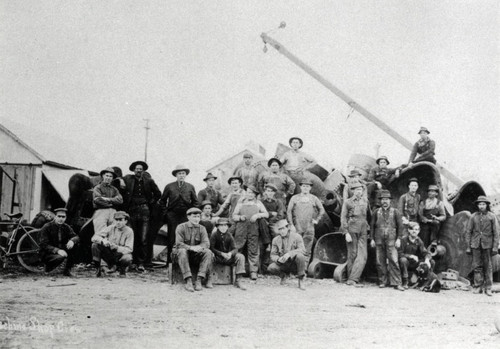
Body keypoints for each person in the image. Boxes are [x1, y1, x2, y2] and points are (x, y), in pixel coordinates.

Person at [123, 160, 161, 272]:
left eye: (140, 169)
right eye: (137, 168)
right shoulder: (128, 179)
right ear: (133, 170)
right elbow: (117, 179)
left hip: (144, 210)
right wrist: (120, 180)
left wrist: (150, 203)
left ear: (143, 170)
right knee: (132, 236)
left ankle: (141, 263)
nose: (138, 170)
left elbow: (158, 193)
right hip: (131, 210)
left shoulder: (149, 180)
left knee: (143, 238)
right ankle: (133, 262)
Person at [158, 165, 199, 265]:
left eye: (183, 173)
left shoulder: (190, 186)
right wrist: (166, 213)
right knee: (172, 237)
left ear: (185, 175)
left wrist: (192, 214)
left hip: (185, 215)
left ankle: (185, 262)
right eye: (179, 173)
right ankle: (170, 261)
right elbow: (162, 201)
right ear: (176, 175)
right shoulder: (169, 186)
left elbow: (196, 202)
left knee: (186, 237)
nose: (181, 175)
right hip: (172, 215)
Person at [370, 190, 405, 291]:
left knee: (394, 261)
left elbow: (400, 227)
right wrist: (372, 239)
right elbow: (372, 226)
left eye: (387, 199)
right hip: (379, 240)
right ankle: (383, 281)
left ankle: (397, 283)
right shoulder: (376, 212)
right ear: (381, 201)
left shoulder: (396, 212)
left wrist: (398, 239)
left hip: (392, 240)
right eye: (383, 199)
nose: (385, 201)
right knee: (380, 261)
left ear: (390, 201)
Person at [232, 185, 269, 280]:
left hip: (253, 229)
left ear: (255, 194)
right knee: (238, 248)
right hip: (241, 229)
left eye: (252, 193)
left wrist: (257, 215)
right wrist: (240, 217)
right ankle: (236, 270)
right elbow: (234, 216)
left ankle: (253, 272)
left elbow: (266, 214)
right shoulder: (240, 203)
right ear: (246, 193)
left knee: (253, 250)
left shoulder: (258, 203)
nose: (250, 194)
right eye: (248, 192)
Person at [172, 208, 213, 292]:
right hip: (180, 256)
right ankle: (188, 280)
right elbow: (179, 243)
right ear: (188, 217)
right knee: (182, 251)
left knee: (208, 252)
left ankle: (199, 280)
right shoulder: (181, 227)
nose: (196, 219)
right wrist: (191, 248)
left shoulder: (202, 228)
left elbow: (206, 243)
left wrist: (199, 247)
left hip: (195, 256)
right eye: (194, 216)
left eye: (198, 216)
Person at [465, 196, 499, 296]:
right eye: (480, 204)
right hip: (475, 244)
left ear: (487, 205)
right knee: (477, 266)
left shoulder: (492, 216)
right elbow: (468, 232)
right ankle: (477, 286)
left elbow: (496, 233)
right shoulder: (473, 216)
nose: (481, 206)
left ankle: (488, 288)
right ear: (477, 205)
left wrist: (495, 247)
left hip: (487, 245)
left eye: (483, 204)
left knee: (488, 266)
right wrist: (468, 246)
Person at [287, 179, 325, 265]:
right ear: (300, 187)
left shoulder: (314, 198)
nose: (305, 188)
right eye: (303, 186)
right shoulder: (294, 198)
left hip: (309, 227)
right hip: (297, 227)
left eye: (307, 186)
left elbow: (322, 210)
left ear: (310, 188)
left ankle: (304, 270)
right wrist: (291, 225)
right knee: (294, 248)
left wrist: (317, 220)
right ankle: (294, 269)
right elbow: (289, 211)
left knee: (307, 249)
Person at [341, 182, 371, 286]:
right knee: (352, 254)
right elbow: (343, 218)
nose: (359, 192)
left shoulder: (365, 201)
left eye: (361, 190)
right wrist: (345, 232)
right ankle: (351, 278)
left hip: (363, 230)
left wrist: (369, 229)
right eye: (357, 190)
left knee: (363, 255)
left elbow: (369, 216)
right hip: (351, 229)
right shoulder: (348, 202)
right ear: (353, 191)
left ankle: (354, 278)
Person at [91, 211, 134, 277]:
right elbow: (94, 237)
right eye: (116, 220)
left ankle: (122, 271)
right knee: (95, 245)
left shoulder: (129, 231)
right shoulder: (111, 228)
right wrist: (103, 241)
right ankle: (98, 269)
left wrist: (117, 247)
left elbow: (129, 249)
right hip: (109, 254)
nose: (118, 222)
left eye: (120, 220)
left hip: (119, 255)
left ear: (126, 221)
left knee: (127, 258)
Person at [267, 219, 307, 290]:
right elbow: (273, 255)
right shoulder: (275, 240)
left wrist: (290, 254)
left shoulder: (297, 237)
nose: (282, 231)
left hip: (294, 263)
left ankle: (301, 280)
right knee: (271, 267)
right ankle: (283, 276)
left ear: (287, 228)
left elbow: (303, 250)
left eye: (283, 228)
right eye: (280, 229)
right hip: (283, 264)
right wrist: (278, 259)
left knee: (300, 256)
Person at [39, 208, 80, 276]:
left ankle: (67, 270)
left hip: (61, 250)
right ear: (55, 217)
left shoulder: (66, 227)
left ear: (65, 218)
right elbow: (43, 244)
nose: (61, 219)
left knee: (76, 246)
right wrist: (57, 250)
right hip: (47, 253)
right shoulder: (47, 227)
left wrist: (72, 241)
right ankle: (48, 268)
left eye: (63, 217)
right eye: (59, 216)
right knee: (60, 257)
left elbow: (76, 237)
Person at [210, 218, 246, 290]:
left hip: (228, 257)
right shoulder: (214, 235)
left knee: (240, 256)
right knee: (209, 255)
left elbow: (235, 248)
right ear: (217, 227)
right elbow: (211, 248)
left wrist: (230, 253)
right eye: (221, 225)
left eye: (225, 225)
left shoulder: (229, 235)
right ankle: (209, 279)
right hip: (217, 257)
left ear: (227, 227)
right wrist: (220, 253)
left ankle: (238, 280)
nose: (223, 227)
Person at [398, 222, 432, 289]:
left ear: (419, 231)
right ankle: (405, 281)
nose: (414, 231)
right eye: (412, 229)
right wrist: (410, 256)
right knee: (403, 260)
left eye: (416, 230)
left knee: (431, 262)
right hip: (405, 263)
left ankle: (425, 282)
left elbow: (425, 252)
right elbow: (399, 253)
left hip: (415, 263)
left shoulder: (419, 241)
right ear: (409, 230)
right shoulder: (404, 240)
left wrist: (427, 259)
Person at [259, 183, 285, 272]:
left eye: (271, 191)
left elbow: (280, 214)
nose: (269, 193)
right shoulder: (262, 201)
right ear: (265, 192)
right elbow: (260, 212)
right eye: (267, 191)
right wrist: (270, 213)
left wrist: (271, 220)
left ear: (274, 193)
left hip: (274, 222)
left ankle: (272, 246)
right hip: (263, 222)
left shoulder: (278, 202)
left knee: (276, 233)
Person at [92, 167, 124, 236]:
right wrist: (113, 202)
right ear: (103, 176)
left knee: (113, 234)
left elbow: (120, 200)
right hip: (101, 211)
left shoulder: (114, 189)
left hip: (113, 213)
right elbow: (97, 200)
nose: (108, 178)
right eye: (107, 175)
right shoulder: (98, 187)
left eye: (110, 176)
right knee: (100, 234)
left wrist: (108, 199)